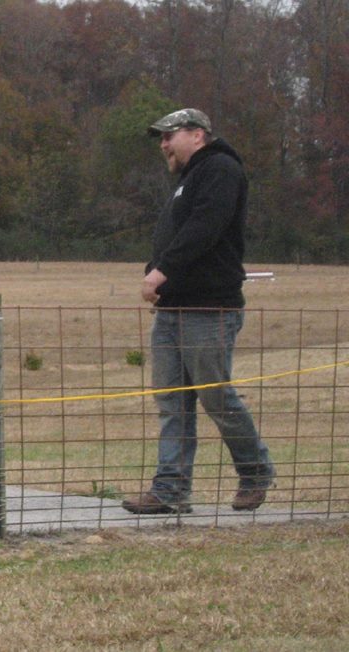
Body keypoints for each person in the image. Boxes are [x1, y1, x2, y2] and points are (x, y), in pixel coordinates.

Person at [122, 108, 275, 515]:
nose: (163, 145)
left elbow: (204, 228)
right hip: (173, 310)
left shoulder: (221, 169)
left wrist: (161, 273)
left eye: (169, 136)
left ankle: (256, 471)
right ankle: (170, 490)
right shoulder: (187, 181)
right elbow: (175, 235)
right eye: (161, 138)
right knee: (172, 402)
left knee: (215, 397)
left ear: (197, 135)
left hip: (209, 308)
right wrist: (156, 273)